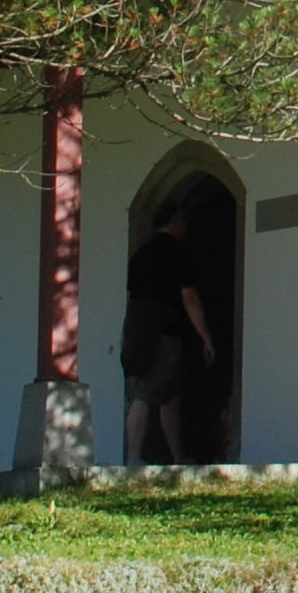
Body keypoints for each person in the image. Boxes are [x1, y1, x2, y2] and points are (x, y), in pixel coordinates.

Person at [119, 192, 220, 464]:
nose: (185, 225)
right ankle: (133, 459)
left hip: (139, 331)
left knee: (169, 397)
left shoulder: (140, 255)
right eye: (183, 220)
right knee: (145, 394)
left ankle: (177, 458)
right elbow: (190, 298)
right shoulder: (175, 252)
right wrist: (206, 338)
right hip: (164, 334)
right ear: (174, 222)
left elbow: (131, 297)